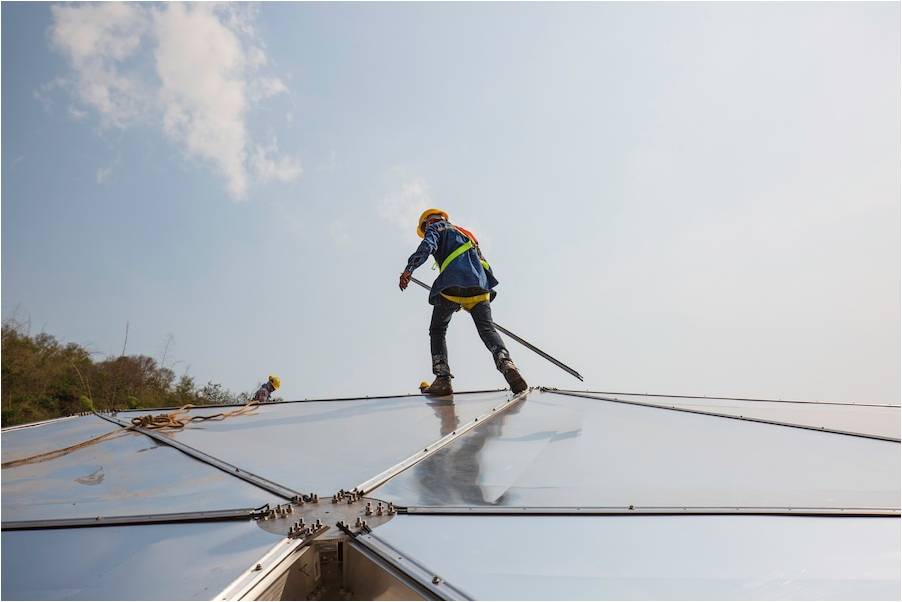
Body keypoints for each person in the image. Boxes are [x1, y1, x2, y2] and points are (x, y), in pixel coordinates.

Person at [399, 208, 527, 396]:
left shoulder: (436, 228)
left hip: (452, 286)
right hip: (480, 287)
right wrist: (476, 290)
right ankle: (507, 364)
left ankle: (442, 379)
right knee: (487, 329)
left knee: (437, 329)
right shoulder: (467, 234)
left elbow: (427, 246)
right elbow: (485, 264)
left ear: (428, 222)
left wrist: (409, 269)